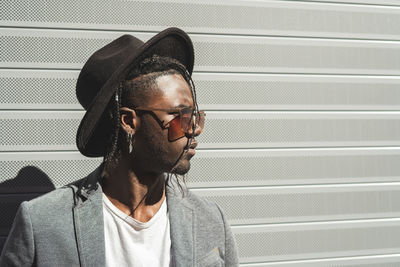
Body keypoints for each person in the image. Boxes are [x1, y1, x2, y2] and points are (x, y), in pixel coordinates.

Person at [0, 28, 239, 267]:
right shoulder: (43, 223)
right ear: (128, 122)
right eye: (181, 116)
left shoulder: (210, 219)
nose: (195, 129)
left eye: (196, 116)